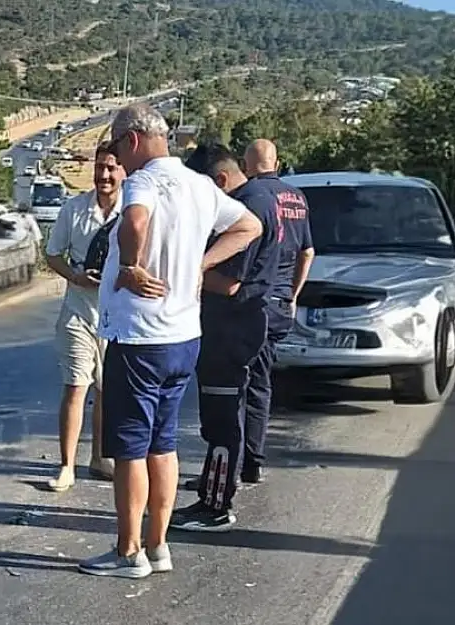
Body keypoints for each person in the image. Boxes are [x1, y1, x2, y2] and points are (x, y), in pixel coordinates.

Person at [77, 104, 263, 578]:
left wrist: (134, 267)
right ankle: (158, 546)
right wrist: (200, 265)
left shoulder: (144, 182)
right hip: (184, 335)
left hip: (139, 337)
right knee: (163, 445)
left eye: (118, 148)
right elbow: (249, 227)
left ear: (133, 141)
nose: (117, 159)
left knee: (130, 451)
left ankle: (127, 552)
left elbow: (135, 222)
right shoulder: (200, 184)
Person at [169, 143, 280, 532]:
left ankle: (216, 505)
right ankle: (215, 490)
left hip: (233, 327)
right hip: (237, 325)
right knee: (221, 418)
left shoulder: (249, 206)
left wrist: (178, 277)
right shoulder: (260, 197)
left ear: (219, 180)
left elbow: (229, 282)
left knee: (220, 422)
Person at [43, 140, 126, 491]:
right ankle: (66, 466)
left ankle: (100, 458)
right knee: (76, 388)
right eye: (100, 167)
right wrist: (76, 277)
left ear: (123, 172)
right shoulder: (74, 209)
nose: (104, 175)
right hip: (78, 312)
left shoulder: (135, 211)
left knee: (109, 391)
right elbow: (52, 254)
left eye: (111, 168)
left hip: (116, 317)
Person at [239, 138, 314, 484]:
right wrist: (294, 294)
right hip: (281, 302)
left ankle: (233, 461)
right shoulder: (297, 197)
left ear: (246, 164)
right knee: (260, 382)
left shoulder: (252, 197)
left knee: (233, 384)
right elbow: (307, 252)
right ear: (277, 162)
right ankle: (250, 459)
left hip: (252, 301)